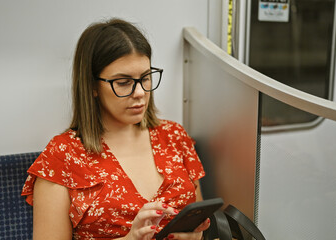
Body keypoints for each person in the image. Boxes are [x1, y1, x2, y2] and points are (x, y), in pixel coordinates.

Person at [21, 18, 209, 240]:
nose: (139, 92)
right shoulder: (63, 156)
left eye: (146, 78)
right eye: (123, 83)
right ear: (92, 86)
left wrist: (197, 238)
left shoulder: (174, 136)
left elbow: (199, 222)